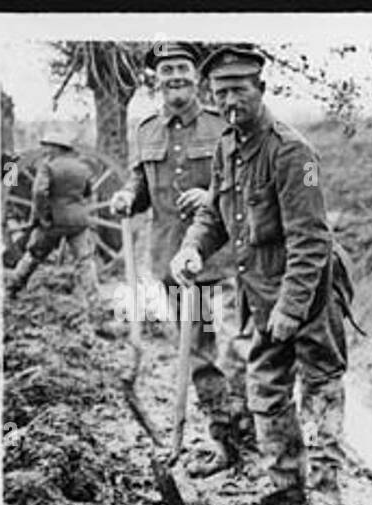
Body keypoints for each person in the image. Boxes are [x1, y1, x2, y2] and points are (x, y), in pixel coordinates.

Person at [172, 44, 350, 505]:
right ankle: (284, 487)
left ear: (261, 89)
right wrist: (193, 247)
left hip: (308, 294)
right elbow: (215, 213)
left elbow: (311, 239)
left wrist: (292, 310)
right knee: (266, 387)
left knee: (318, 389)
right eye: (220, 93)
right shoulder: (227, 147)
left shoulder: (294, 152)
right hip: (260, 293)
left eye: (239, 90)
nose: (230, 102)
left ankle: (328, 496)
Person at [110, 41, 252, 478]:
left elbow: (248, 182)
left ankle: (253, 430)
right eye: (166, 68)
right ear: (156, 78)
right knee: (198, 352)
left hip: (225, 260)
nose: (174, 75)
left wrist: (213, 196)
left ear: (196, 78)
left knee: (236, 346)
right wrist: (126, 197)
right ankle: (225, 439)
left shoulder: (222, 125)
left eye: (182, 68)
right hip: (173, 261)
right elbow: (141, 181)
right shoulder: (147, 129)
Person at [6, 129, 102, 315]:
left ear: (57, 148)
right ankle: (95, 303)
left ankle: (12, 288)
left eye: (49, 146)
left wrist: (42, 218)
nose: (47, 150)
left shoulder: (48, 167)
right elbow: (88, 193)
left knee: (33, 255)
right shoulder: (82, 168)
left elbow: (38, 193)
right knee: (85, 261)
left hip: (53, 222)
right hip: (78, 222)